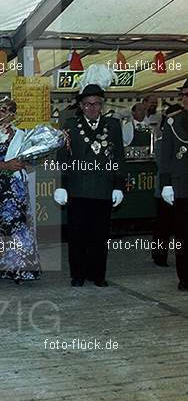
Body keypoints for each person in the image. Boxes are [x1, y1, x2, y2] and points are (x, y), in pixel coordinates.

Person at [54, 83, 125, 287]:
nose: (92, 109)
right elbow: (63, 157)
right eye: (87, 104)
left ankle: (98, 274)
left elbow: (119, 157)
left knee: (100, 235)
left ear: (102, 105)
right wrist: (61, 184)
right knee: (77, 236)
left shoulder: (112, 125)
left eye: (96, 104)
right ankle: (78, 274)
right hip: (78, 188)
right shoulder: (70, 125)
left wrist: (119, 185)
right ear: (81, 106)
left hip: (103, 189)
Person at [0, 98, 41, 284]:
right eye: (2, 109)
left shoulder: (22, 135)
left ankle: (19, 271)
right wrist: (6, 165)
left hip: (16, 191)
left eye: (10, 110)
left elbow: (31, 159)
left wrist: (26, 161)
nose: (6, 113)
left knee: (18, 229)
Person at [159, 92, 188, 291]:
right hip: (182, 186)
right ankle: (185, 277)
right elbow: (165, 155)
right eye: (184, 95)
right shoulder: (172, 122)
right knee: (183, 235)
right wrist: (166, 183)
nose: (186, 99)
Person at [152, 104, 183, 267]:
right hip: (165, 188)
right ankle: (159, 254)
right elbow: (162, 162)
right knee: (163, 224)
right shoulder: (161, 140)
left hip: (180, 187)